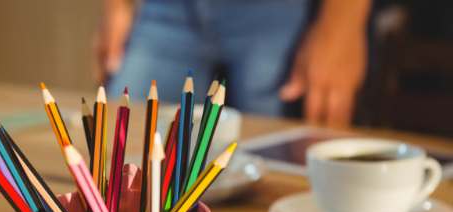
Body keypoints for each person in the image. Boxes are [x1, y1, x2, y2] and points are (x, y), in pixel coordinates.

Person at [95, 0, 372, 127]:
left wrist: (341, 25)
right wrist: (115, 7)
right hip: (165, 9)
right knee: (118, 153)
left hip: (281, 15)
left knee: (279, 166)